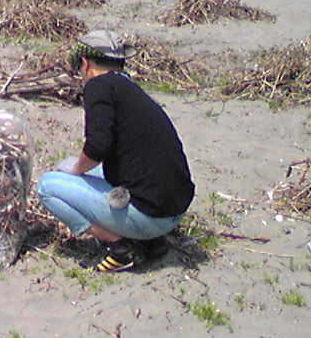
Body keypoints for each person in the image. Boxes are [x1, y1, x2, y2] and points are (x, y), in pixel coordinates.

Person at [37, 29, 194, 272]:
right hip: (172, 212)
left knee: (48, 186)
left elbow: (97, 147)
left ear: (85, 63)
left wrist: (75, 170)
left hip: (150, 218)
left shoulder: (98, 86)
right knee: (101, 170)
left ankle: (120, 248)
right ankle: (152, 243)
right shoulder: (127, 87)